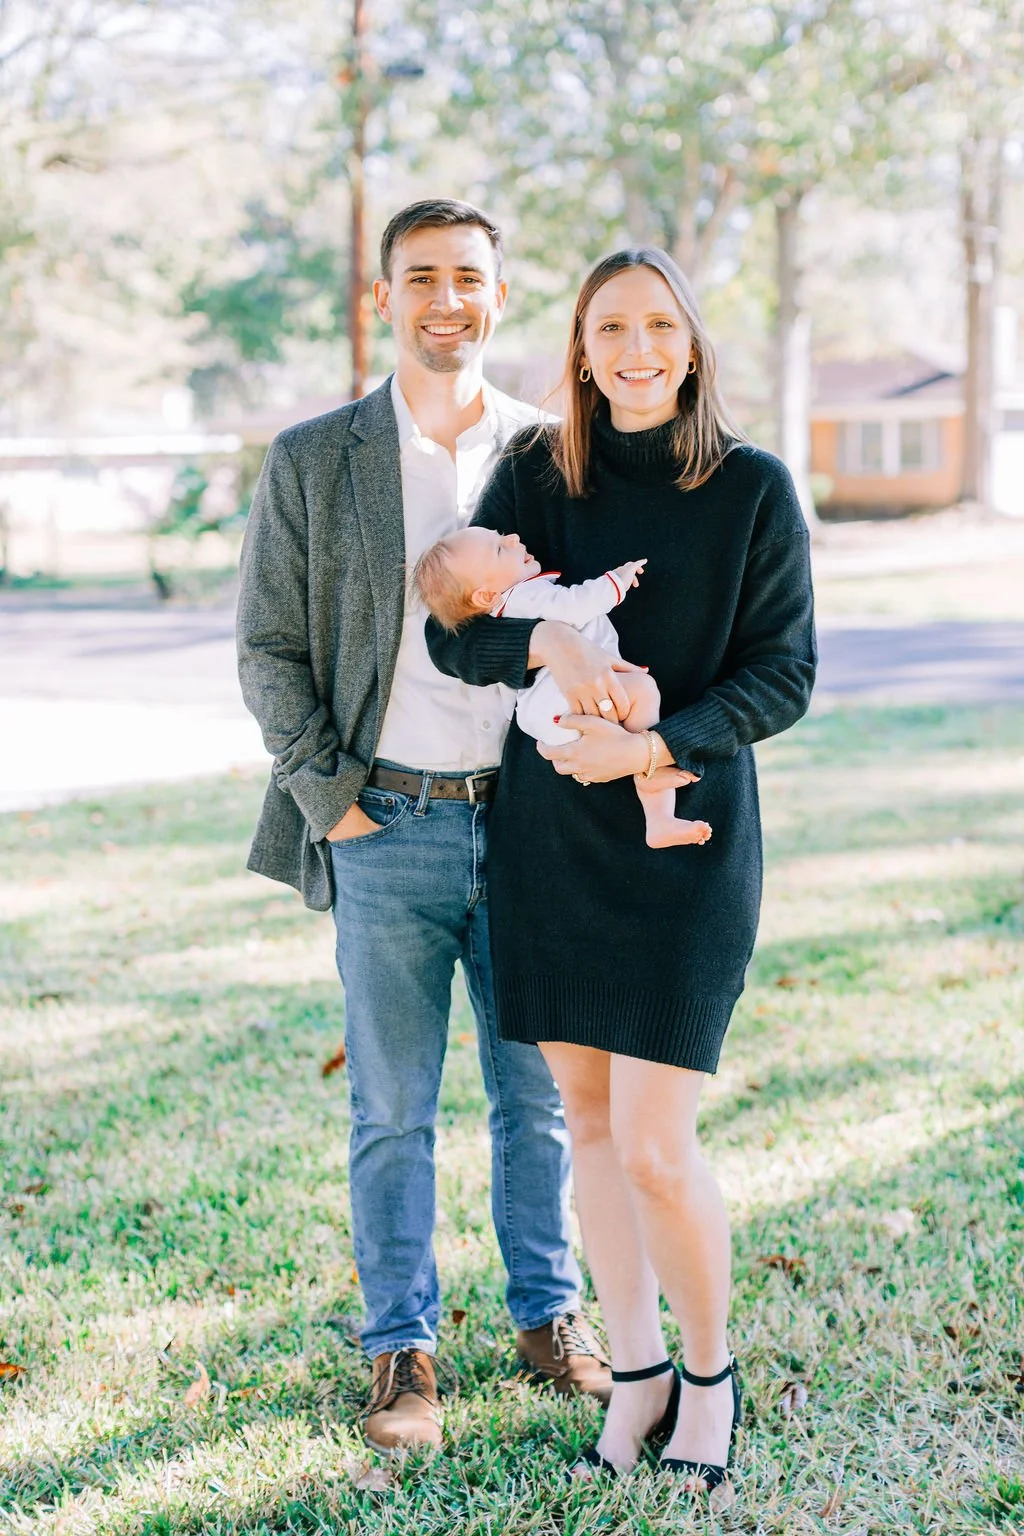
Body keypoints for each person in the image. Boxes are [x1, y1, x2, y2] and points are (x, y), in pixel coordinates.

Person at [427, 246, 816, 1491]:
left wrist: (652, 741)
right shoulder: (543, 471)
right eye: (608, 329)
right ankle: (636, 1368)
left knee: (655, 1142)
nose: (634, 349)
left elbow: (782, 676)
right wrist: (539, 637)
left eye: (658, 326)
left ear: (691, 344)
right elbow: (456, 635)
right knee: (586, 1125)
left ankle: (709, 1375)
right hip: (551, 847)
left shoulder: (751, 487)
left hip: (683, 839)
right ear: (582, 349)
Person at [236, 199, 612, 1457]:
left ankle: (548, 1319)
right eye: (421, 279)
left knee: (538, 1100)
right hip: (382, 820)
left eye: (469, 278)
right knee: (393, 1108)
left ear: (498, 298)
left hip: (532, 833)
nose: (446, 299)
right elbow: (269, 648)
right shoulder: (313, 459)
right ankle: (403, 1347)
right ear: (382, 300)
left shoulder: (557, 453)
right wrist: (328, 796)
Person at [413, 529, 711, 847]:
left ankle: (657, 811)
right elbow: (576, 605)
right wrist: (618, 580)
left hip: (547, 714)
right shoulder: (525, 597)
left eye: (502, 536)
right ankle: (652, 787)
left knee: (638, 699)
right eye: (500, 549)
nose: (512, 538)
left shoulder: (507, 607)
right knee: (643, 691)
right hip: (559, 705)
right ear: (486, 596)